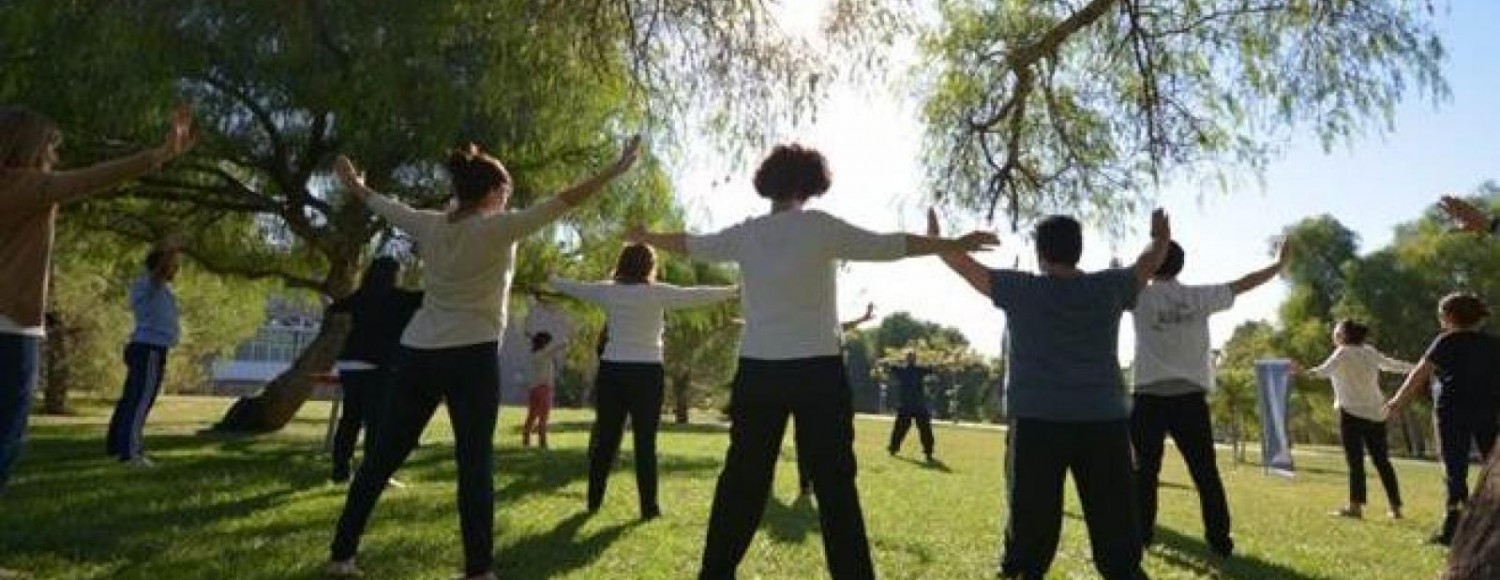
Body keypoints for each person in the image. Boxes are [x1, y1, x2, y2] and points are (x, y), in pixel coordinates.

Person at [628, 143, 997, 579]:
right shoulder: (820, 228)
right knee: (835, 486)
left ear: (770, 184)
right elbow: (888, 245)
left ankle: (714, 573)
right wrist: (950, 243)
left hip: (759, 371)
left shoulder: (746, 234)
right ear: (811, 183)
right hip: (818, 372)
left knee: (743, 481)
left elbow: (691, 244)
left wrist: (646, 238)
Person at [326, 136, 640, 579]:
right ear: (492, 194)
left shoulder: (430, 224)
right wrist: (614, 169)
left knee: (381, 457)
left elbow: (382, 205)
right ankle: (478, 570)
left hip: (417, 353)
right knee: (474, 465)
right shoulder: (497, 228)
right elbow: (562, 201)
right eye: (506, 193)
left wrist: (354, 184)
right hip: (470, 356)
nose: (508, 200)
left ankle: (342, 555)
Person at [929, 206, 1168, 579]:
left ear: (1041, 253)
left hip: (1037, 425)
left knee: (1028, 542)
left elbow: (959, 263)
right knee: (1118, 542)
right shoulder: (1109, 288)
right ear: (1079, 249)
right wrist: (1160, 236)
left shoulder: (1021, 289)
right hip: (1103, 423)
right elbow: (1150, 261)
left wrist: (940, 239)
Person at [0, 104, 194, 490]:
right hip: (11, 329)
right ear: (31, 148)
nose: (54, 158)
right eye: (50, 150)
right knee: (6, 432)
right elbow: (92, 179)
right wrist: (157, 155)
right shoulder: (29, 185)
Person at [550, 243, 738, 518]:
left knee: (606, 440)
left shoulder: (608, 290)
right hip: (647, 375)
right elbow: (695, 295)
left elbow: (575, 287)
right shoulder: (658, 293)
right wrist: (733, 291)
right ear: (649, 267)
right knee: (645, 443)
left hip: (613, 372)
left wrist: (551, 278)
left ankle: (593, 502)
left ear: (623, 264)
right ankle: (649, 509)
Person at [1127, 238, 1288, 556]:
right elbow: (1244, 284)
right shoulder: (1198, 297)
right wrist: (1278, 265)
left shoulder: (1136, 293)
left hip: (1148, 398)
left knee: (1144, 473)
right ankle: (1219, 541)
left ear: (1152, 261)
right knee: (1205, 472)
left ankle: (1141, 535)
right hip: (1189, 399)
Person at [1385, 292, 1500, 546]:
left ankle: (1454, 527)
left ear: (1448, 317)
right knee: (1494, 467)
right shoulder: (1493, 344)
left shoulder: (1446, 341)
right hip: (1486, 411)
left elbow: (1419, 375)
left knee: (1454, 469)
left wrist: (1396, 402)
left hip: (1452, 412)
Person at [1296, 319, 1413, 519]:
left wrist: (1301, 372)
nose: (1334, 334)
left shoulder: (1342, 352)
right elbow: (1393, 365)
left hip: (1351, 413)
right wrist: (1419, 367)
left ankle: (1355, 507)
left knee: (1355, 462)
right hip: (1376, 413)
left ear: (1343, 335)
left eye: (1336, 331)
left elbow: (1322, 372)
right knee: (1382, 461)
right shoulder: (1369, 351)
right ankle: (1396, 507)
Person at [326, 256, 424, 484]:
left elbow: (335, 307)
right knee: (376, 421)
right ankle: (373, 474)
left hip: (350, 363)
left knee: (350, 418)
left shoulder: (361, 296)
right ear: (394, 275)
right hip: (378, 366)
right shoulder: (400, 298)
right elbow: (431, 298)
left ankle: (340, 470)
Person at [105, 244, 182, 467]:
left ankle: (116, 445)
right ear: (162, 265)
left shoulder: (162, 289)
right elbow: (159, 272)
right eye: (173, 265)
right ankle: (131, 453)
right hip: (149, 349)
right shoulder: (149, 284)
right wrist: (172, 247)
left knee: (131, 398)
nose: (176, 270)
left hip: (148, 348)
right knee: (140, 401)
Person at [796, 302, 877, 497]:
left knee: (841, 432)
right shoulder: (804, 330)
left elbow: (845, 326)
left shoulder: (832, 328)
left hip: (836, 385)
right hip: (808, 385)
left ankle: (838, 479)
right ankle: (807, 482)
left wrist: (864, 318)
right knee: (806, 435)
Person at [884, 350, 937, 461]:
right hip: (918, 404)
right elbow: (931, 369)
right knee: (924, 428)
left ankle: (893, 448)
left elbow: (889, 367)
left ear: (906, 359)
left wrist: (891, 362)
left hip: (906, 404)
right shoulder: (919, 370)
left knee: (900, 428)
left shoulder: (901, 370)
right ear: (915, 359)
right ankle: (928, 451)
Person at [522, 331, 566, 449]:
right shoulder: (545, 353)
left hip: (534, 389)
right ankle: (543, 443)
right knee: (543, 418)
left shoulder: (536, 354)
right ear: (545, 343)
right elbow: (560, 345)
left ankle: (526, 439)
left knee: (532, 416)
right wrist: (567, 339)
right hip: (545, 389)